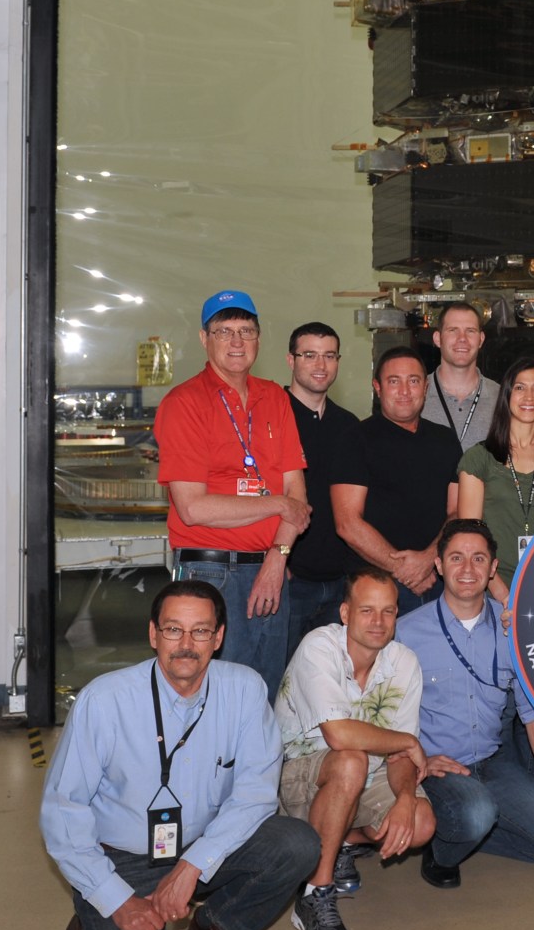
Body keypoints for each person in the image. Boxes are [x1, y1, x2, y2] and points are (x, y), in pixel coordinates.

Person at [41, 579, 320, 930]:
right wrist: (116, 900)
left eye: (200, 631)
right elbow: (62, 810)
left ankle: (217, 928)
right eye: (173, 629)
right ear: (153, 634)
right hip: (124, 860)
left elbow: (256, 793)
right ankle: (92, 905)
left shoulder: (245, 690)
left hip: (207, 846)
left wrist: (191, 866)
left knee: (297, 844)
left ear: (219, 637)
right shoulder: (104, 700)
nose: (186, 644)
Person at [399, 520, 534, 887]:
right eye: (456, 558)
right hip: (439, 768)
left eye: (478, 559)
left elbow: (532, 711)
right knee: (475, 813)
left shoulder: (514, 632)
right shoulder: (407, 633)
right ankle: (445, 845)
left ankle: (464, 828)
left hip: (493, 762)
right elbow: (385, 713)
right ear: (439, 566)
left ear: (492, 568)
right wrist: (417, 756)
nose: (467, 569)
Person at [154, 289, 310, 704]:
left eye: (246, 331)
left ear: (259, 339)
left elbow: (297, 491)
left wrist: (278, 557)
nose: (237, 341)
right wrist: (277, 504)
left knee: (264, 696)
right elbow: (193, 508)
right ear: (204, 340)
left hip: (271, 571)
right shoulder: (184, 403)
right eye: (224, 331)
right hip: (210, 575)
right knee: (206, 696)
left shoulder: (274, 397)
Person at [274, 569, 435, 930]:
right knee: (351, 760)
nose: (378, 621)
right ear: (345, 613)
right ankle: (315, 890)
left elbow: (400, 755)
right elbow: (339, 735)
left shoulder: (404, 662)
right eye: (367, 610)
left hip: (361, 778)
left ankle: (340, 839)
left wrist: (406, 798)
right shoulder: (319, 646)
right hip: (296, 779)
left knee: (420, 823)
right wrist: (407, 741)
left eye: (388, 611)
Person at [332, 347, 461, 613]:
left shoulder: (446, 440)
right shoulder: (355, 439)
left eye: (413, 381)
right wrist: (404, 569)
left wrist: (428, 559)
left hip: (439, 582)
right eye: (394, 381)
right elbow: (348, 523)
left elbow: (458, 510)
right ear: (377, 387)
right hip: (375, 588)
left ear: (425, 387)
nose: (404, 391)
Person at [455, 357, 534, 590]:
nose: (529, 397)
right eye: (520, 388)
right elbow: (470, 541)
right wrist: (503, 595)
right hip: (492, 589)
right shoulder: (478, 459)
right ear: (506, 396)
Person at [284, 321, 362, 656]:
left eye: (329, 356)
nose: (321, 365)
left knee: (333, 677)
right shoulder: (272, 415)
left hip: (339, 583)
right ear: (291, 360)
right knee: (278, 677)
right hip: (288, 581)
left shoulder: (349, 426)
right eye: (310, 355)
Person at [422, 301, 501, 451]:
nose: (462, 338)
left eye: (470, 331)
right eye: (453, 330)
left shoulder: (502, 398)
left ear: (481, 339)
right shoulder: (415, 396)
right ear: (438, 339)